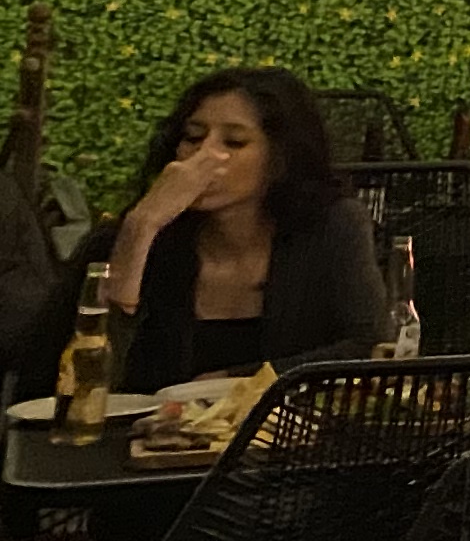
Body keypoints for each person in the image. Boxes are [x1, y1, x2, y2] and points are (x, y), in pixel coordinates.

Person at [68, 69, 388, 388]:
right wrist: (140, 229)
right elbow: (78, 385)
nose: (204, 155)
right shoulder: (129, 238)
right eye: (193, 137)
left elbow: (370, 346)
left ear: (280, 159)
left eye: (234, 142)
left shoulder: (332, 227)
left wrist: (235, 383)